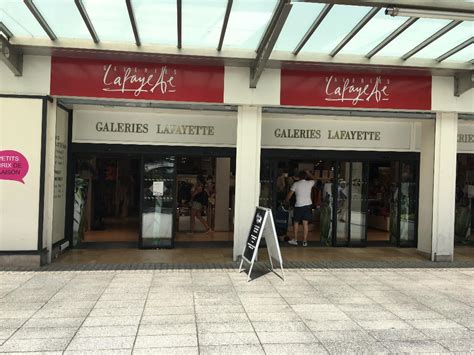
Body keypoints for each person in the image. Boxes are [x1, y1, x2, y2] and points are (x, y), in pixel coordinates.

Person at [285, 170, 315, 246]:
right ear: (306, 176)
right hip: (308, 205)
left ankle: (295, 240)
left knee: (296, 222)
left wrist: (286, 201)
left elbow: (289, 195)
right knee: (305, 223)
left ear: (299, 177)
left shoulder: (296, 184)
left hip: (298, 205)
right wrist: (308, 173)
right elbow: (314, 179)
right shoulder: (310, 183)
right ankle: (304, 241)